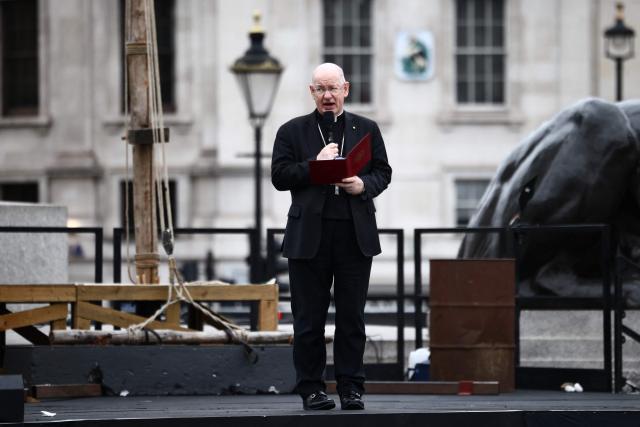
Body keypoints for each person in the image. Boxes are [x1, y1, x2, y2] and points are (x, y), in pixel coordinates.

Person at [271, 63, 392, 410]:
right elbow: (280, 176)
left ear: (346, 90)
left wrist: (362, 185)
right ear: (311, 92)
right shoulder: (292, 131)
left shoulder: (366, 129)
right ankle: (311, 389)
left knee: (352, 317)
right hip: (310, 235)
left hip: (354, 235)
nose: (327, 95)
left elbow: (383, 172)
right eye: (320, 89)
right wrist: (315, 165)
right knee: (309, 319)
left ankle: (352, 388)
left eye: (333, 88)